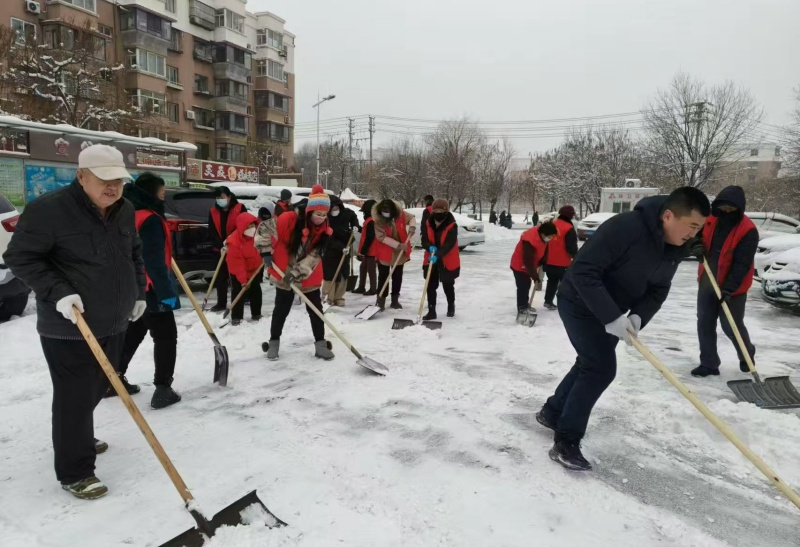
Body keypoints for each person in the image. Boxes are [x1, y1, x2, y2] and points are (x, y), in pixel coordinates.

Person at [3, 144, 146, 500]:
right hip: (69, 324)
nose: (113, 187)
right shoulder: (48, 211)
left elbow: (134, 254)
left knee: (101, 384)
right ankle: (76, 471)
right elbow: (19, 258)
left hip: (114, 319)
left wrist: (139, 291)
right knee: (74, 396)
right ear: (81, 177)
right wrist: (58, 291)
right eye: (104, 179)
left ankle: (78, 433)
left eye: (118, 180)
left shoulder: (123, 209)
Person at [537, 187, 710, 471]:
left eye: (699, 228)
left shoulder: (675, 246)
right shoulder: (625, 228)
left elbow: (659, 287)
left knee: (589, 363)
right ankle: (566, 440)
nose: (694, 234)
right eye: (691, 226)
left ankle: (553, 411)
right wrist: (611, 316)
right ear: (668, 216)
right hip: (579, 301)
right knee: (600, 368)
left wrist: (639, 316)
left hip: (614, 310)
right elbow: (583, 272)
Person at [116, 173, 182, 409]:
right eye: (162, 192)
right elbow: (152, 260)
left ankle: (112, 378)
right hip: (151, 287)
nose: (164, 196)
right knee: (166, 337)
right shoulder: (151, 219)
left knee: (134, 330)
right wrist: (167, 293)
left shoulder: (128, 214)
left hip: (131, 287)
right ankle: (163, 388)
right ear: (152, 193)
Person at [691, 186, 758, 378]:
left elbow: (742, 264)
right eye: (723, 208)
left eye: (731, 208)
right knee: (704, 322)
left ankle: (747, 354)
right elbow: (694, 235)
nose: (727, 212)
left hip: (733, 285)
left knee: (731, 325)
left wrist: (729, 289)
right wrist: (695, 244)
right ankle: (709, 363)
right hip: (708, 278)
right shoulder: (710, 220)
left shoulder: (748, 230)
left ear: (740, 208)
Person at [265, 185, 334, 361]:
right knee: (281, 309)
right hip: (283, 269)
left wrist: (295, 274)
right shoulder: (288, 219)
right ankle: (273, 343)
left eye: (324, 214)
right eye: (318, 214)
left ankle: (320, 344)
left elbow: (313, 257)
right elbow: (264, 230)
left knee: (316, 310)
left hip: (308, 275)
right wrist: (265, 252)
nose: (321, 218)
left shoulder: (324, 230)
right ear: (310, 211)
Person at [372, 198, 416, 310]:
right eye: (383, 211)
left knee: (397, 276)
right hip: (385, 252)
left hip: (400, 252)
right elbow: (381, 237)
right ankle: (380, 300)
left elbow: (411, 217)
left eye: (387, 211)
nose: (385, 213)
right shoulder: (378, 220)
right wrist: (397, 244)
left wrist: (412, 226)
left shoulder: (400, 214)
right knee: (383, 277)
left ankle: (395, 300)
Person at [421, 199, 460, 319]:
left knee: (448, 285)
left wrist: (438, 255)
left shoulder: (452, 225)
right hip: (431, 257)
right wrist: (429, 246)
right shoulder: (428, 222)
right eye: (436, 210)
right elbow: (424, 240)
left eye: (441, 210)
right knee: (430, 285)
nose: (438, 213)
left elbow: (449, 244)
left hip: (446, 259)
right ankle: (432, 311)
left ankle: (451, 305)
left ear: (446, 211)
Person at [208, 186, 245, 312]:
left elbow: (243, 227)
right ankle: (221, 303)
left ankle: (239, 301)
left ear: (229, 197)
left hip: (235, 248)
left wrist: (230, 242)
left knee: (236, 277)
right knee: (220, 277)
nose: (220, 200)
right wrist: (220, 245)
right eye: (217, 198)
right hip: (220, 249)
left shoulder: (239, 208)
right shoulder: (213, 211)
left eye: (222, 197)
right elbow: (212, 230)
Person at [510, 221, 559, 314]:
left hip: (529, 265)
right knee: (523, 286)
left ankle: (525, 304)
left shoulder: (542, 235)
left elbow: (545, 247)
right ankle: (522, 307)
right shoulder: (530, 240)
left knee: (526, 285)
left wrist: (544, 259)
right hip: (520, 265)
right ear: (544, 234)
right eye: (550, 236)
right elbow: (528, 261)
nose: (551, 239)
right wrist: (535, 276)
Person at [225, 212, 263, 326]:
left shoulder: (257, 236)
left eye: (253, 225)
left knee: (256, 291)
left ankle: (256, 314)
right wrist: (243, 281)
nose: (251, 229)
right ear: (242, 227)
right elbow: (237, 264)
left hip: (254, 269)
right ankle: (236, 317)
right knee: (238, 293)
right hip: (238, 272)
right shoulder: (234, 242)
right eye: (248, 226)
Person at [322, 195, 360, 306]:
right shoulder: (326, 218)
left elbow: (353, 217)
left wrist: (355, 225)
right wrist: (340, 247)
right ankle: (328, 297)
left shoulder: (346, 213)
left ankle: (339, 298)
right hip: (330, 250)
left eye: (336, 208)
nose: (335, 210)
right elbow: (327, 237)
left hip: (346, 247)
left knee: (343, 274)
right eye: (332, 208)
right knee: (330, 274)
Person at [543, 205, 578, 311]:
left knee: (552, 281)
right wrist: (575, 257)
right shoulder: (568, 228)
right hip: (563, 262)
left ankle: (548, 301)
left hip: (549, 261)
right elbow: (571, 247)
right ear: (570, 216)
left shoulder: (551, 225)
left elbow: (544, 242)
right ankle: (567, 304)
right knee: (567, 284)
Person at [354, 199, 378, 295]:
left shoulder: (371, 222)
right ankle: (361, 286)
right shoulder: (369, 221)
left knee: (371, 269)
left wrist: (364, 250)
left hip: (371, 249)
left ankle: (373, 288)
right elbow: (365, 233)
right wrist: (358, 229)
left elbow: (370, 237)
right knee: (363, 267)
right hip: (368, 249)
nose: (363, 214)